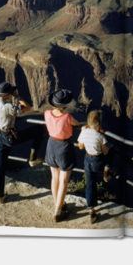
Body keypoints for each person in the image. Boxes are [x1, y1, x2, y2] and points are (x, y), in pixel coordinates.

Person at [0, 81, 47, 204]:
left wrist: (11, 97)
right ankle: (33, 158)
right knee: (38, 130)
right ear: (7, 94)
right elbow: (28, 108)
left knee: (0, 165)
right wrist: (17, 97)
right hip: (10, 137)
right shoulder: (8, 107)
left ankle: (0, 195)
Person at [44, 89, 81, 222]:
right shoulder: (67, 117)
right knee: (63, 181)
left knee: (55, 178)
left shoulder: (47, 113)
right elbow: (77, 124)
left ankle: (58, 204)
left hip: (51, 145)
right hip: (64, 147)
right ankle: (58, 212)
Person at [76, 110, 110, 223]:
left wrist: (85, 132)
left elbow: (80, 146)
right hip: (98, 161)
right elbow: (105, 152)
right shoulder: (100, 136)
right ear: (99, 124)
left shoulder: (84, 131)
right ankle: (106, 172)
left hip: (87, 160)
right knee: (111, 153)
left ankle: (91, 210)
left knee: (90, 184)